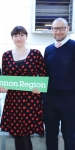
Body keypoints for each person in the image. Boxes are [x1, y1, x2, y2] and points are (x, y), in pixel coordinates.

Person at [0, 26, 47, 150]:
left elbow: (43, 74)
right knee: (17, 134)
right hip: (13, 100)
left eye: (21, 35)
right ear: (12, 38)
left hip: (30, 99)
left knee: (25, 135)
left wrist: (39, 87)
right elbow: (4, 76)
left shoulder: (35, 53)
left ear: (26, 37)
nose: (18, 38)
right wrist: (2, 86)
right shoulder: (6, 55)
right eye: (16, 35)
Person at [43, 17, 75, 150]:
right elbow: (45, 74)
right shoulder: (48, 49)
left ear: (67, 29)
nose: (59, 31)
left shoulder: (74, 47)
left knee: (69, 135)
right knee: (50, 134)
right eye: (56, 28)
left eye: (62, 28)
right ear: (51, 30)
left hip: (69, 99)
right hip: (50, 99)